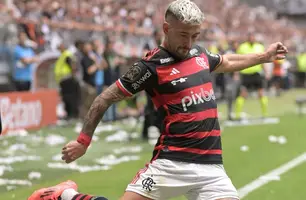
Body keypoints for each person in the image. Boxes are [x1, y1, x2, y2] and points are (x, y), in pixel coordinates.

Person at [28, 0, 288, 200]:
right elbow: (104, 98)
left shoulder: (199, 54)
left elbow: (227, 61)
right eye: (183, 35)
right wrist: (83, 141)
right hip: (171, 162)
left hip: (212, 167)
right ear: (166, 29)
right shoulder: (150, 67)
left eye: (195, 36)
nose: (189, 43)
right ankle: (64, 195)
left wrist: (263, 57)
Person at [234, 33, 269, 119]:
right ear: (248, 38)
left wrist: (266, 71)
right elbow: (238, 60)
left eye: (253, 37)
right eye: (250, 37)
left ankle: (265, 114)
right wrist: (236, 73)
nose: (252, 39)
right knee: (243, 94)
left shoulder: (259, 47)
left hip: (256, 74)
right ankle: (237, 115)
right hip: (246, 74)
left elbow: (262, 60)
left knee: (261, 94)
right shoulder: (242, 47)